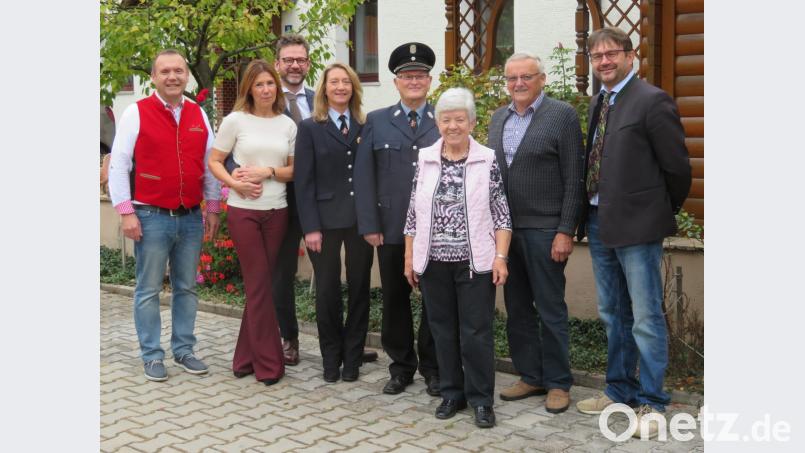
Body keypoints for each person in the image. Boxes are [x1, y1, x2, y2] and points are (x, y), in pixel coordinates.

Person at [224, 34, 378, 366]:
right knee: (280, 274)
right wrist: (241, 175)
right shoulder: (266, 100)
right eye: (288, 60)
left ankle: (344, 343)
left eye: (301, 60)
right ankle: (288, 337)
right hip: (274, 201)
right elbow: (235, 151)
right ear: (277, 63)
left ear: (309, 64)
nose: (295, 65)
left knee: (331, 279)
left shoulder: (320, 98)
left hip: (318, 205)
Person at [574, 27, 691, 439]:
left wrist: (655, 212)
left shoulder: (652, 101)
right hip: (598, 221)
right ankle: (618, 390)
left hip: (638, 226)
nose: (604, 61)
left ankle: (653, 402)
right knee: (613, 314)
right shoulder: (598, 102)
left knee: (644, 317)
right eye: (597, 56)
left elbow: (677, 170)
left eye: (611, 54)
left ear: (629, 55)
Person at [108, 49, 221, 382]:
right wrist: (126, 212)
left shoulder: (198, 113)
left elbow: (209, 165)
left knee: (186, 288)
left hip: (189, 218)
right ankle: (152, 355)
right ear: (154, 77)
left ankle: (184, 349)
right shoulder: (136, 112)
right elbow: (119, 164)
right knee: (148, 289)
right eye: (165, 71)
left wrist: (213, 207)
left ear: (187, 75)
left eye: (179, 71)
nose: (173, 77)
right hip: (151, 215)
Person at [403, 87, 511, 428]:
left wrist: (500, 257)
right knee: (442, 331)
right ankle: (452, 392)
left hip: (474, 262)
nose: (452, 126)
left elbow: (501, 214)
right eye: (446, 119)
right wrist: (409, 258)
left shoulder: (487, 159)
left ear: (472, 122)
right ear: (437, 123)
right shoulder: (425, 158)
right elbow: (412, 214)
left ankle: (481, 400)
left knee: (476, 332)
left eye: (459, 119)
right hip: (433, 262)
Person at [486, 52, 585, 414]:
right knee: (517, 309)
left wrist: (566, 230)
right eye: (512, 78)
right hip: (506, 232)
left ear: (541, 79)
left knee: (550, 308)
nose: (518, 84)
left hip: (545, 230)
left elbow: (575, 177)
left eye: (526, 77)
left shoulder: (561, 116)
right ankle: (531, 375)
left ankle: (558, 382)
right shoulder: (499, 118)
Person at [354, 42, 441, 396]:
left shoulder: (445, 118)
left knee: (435, 301)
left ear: (430, 81)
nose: (414, 81)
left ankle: (434, 368)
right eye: (407, 75)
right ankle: (402, 366)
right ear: (396, 82)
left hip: (437, 229)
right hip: (390, 228)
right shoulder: (376, 121)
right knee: (394, 300)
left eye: (420, 75)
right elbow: (364, 176)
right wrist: (369, 224)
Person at [208, 60, 296, 385]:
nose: (265, 89)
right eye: (258, 84)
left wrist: (267, 172)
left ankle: (244, 359)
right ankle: (269, 365)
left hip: (278, 211)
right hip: (243, 211)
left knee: (261, 287)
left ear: (276, 86)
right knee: (259, 284)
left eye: (270, 84)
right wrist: (235, 183)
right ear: (249, 88)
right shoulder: (235, 121)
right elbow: (214, 161)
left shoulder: (287, 125)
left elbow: (293, 170)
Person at [294, 63, 374, 383]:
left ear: (354, 87)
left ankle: (352, 357)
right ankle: (331, 357)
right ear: (324, 88)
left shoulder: (366, 124)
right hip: (323, 223)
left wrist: (373, 222)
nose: (340, 87)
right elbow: (304, 181)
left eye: (346, 82)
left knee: (359, 289)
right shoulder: (310, 127)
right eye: (334, 82)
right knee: (327, 291)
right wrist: (310, 226)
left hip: (360, 221)